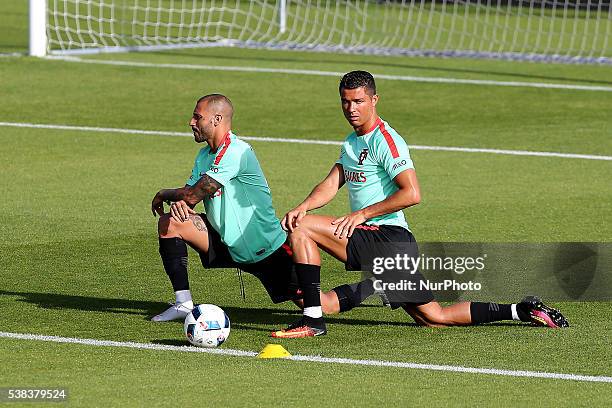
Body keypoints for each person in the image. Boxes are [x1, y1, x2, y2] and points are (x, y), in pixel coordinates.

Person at [272, 71, 569, 338]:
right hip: (383, 242)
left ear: (374, 99)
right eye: (346, 102)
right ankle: (521, 310)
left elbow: (412, 193)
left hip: (387, 237)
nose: (351, 109)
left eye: (359, 101)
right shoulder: (352, 141)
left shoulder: (386, 140)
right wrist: (304, 205)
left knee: (303, 229)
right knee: (434, 317)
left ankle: (313, 322)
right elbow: (332, 182)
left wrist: (360, 214)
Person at [150, 93, 342, 322]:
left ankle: (374, 285)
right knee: (170, 223)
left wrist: (165, 194)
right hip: (226, 243)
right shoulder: (204, 156)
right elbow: (188, 194)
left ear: (217, 119)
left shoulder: (235, 152)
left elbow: (193, 194)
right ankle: (183, 304)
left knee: (326, 305)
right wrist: (180, 203)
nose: (191, 122)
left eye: (197, 117)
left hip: (267, 250)